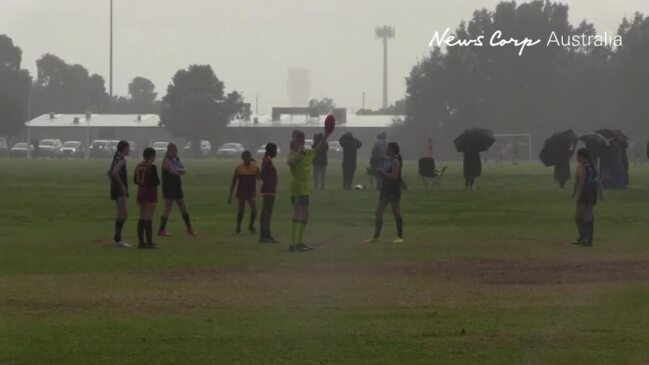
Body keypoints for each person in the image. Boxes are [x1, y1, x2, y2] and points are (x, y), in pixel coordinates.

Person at [287, 129, 331, 252]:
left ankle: (299, 242)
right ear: (294, 142)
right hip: (296, 188)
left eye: (301, 140)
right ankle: (293, 243)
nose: (299, 143)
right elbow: (289, 162)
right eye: (297, 140)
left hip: (305, 189)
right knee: (297, 213)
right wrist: (297, 154)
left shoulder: (307, 153)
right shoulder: (292, 153)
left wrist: (326, 136)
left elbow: (318, 149)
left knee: (305, 215)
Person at [365, 142, 404, 244]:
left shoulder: (395, 161)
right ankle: (375, 237)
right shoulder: (388, 160)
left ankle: (400, 237)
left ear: (392, 150)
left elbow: (394, 176)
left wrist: (383, 173)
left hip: (393, 189)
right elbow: (385, 172)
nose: (386, 150)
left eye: (388, 148)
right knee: (378, 212)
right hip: (385, 189)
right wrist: (379, 172)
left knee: (396, 213)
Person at [158, 143, 196, 237]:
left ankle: (189, 228)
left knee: (182, 206)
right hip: (169, 186)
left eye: (176, 151)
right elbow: (173, 171)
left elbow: (183, 169)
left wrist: (179, 170)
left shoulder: (177, 159)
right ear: (169, 151)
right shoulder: (166, 160)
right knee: (168, 207)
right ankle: (161, 229)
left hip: (177, 186)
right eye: (174, 151)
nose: (175, 153)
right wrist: (179, 170)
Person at [572, 148, 603, 247]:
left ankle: (585, 238)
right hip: (593, 192)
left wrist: (577, 195)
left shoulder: (582, 167)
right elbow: (597, 180)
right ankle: (587, 239)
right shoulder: (592, 166)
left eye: (577, 156)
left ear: (581, 156)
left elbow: (581, 181)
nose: (577, 158)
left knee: (579, 216)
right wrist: (601, 192)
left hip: (585, 192)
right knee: (588, 214)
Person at [134, 147, 161, 249]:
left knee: (141, 217)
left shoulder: (138, 166)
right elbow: (156, 182)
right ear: (152, 156)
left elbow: (135, 180)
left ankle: (141, 242)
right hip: (150, 193)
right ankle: (149, 242)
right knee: (149, 218)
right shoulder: (152, 167)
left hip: (140, 192)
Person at [228, 151, 260, 234]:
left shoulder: (254, 168)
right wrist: (230, 196)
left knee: (254, 211)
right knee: (241, 210)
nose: (247, 159)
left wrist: (258, 168)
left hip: (251, 191)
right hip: (241, 191)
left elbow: (260, 177)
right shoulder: (239, 168)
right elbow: (234, 182)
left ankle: (250, 225)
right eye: (246, 157)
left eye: (249, 157)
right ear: (242, 158)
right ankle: (238, 225)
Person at [107, 140, 131, 248]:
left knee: (122, 214)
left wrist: (113, 183)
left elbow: (109, 172)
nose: (129, 150)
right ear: (124, 149)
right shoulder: (121, 160)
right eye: (128, 148)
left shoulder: (116, 157)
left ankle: (117, 239)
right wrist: (121, 186)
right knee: (123, 214)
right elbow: (114, 172)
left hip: (115, 188)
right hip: (119, 190)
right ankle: (117, 240)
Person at [259, 143, 279, 243]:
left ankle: (266, 235)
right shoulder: (267, 161)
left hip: (270, 190)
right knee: (266, 213)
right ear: (271, 150)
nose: (276, 152)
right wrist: (270, 184)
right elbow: (261, 174)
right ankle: (264, 236)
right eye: (275, 150)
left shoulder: (268, 160)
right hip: (268, 190)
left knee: (267, 213)